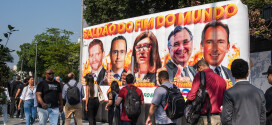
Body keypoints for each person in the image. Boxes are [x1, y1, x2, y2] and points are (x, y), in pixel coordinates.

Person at [221, 59, 266, 125]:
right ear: (248, 73)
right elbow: (262, 119)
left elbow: (226, 119)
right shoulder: (260, 93)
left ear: (232, 74)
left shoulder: (229, 93)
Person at [187, 59, 226, 125]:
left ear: (200, 67)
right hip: (217, 118)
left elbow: (191, 97)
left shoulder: (199, 75)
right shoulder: (221, 80)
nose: (197, 71)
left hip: (203, 118)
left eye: (197, 69)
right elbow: (223, 100)